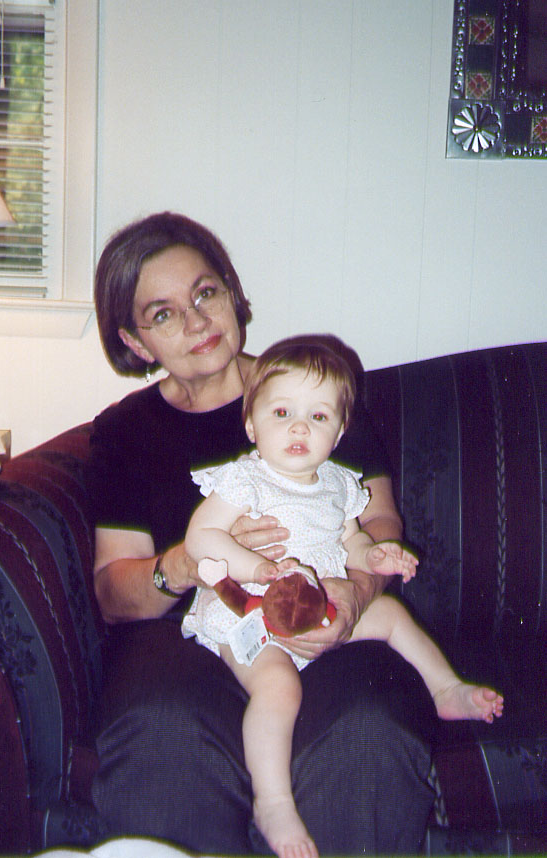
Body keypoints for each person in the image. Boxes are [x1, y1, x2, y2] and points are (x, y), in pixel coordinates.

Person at [87, 210, 437, 856]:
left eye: (204, 293)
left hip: (325, 622)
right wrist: (189, 564)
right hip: (193, 634)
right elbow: (113, 590)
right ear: (136, 344)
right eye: (162, 314)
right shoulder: (123, 434)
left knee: (366, 730)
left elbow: (381, 522)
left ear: (230, 292)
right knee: (162, 730)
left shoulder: (311, 392)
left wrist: (352, 596)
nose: (195, 322)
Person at [183, 336, 504, 858]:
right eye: (282, 412)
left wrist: (379, 557)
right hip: (253, 612)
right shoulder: (244, 480)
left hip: (323, 609)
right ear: (251, 424)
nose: (299, 428)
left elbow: (353, 539)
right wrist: (259, 567)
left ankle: (445, 688)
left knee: (393, 614)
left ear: (337, 433)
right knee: (279, 688)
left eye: (319, 416)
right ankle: (273, 801)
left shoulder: (338, 484)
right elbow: (202, 539)